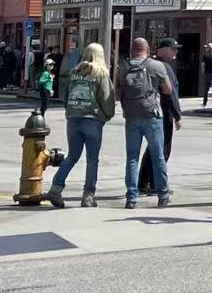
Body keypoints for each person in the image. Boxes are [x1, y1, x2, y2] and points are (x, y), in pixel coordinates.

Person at [46, 43, 115, 208]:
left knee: (72, 156)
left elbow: (66, 95)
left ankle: (56, 188)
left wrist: (70, 111)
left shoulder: (74, 72)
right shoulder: (100, 73)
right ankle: (88, 196)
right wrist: (106, 115)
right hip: (92, 119)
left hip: (73, 117)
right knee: (92, 160)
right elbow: (106, 97)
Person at [118, 37, 175, 209]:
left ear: (132, 50)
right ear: (147, 49)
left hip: (131, 116)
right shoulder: (156, 65)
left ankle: (131, 198)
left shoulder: (123, 67)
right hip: (152, 116)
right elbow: (168, 90)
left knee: (132, 158)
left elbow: (119, 90)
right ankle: (163, 194)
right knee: (158, 156)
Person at [137, 36, 184, 199]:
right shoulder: (164, 67)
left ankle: (144, 182)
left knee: (152, 148)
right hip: (163, 111)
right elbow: (170, 93)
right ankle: (155, 183)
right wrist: (177, 115)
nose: (176, 51)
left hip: (150, 111)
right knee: (162, 150)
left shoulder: (149, 64)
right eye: (173, 49)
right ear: (162, 50)